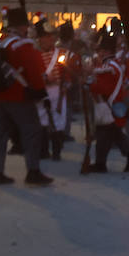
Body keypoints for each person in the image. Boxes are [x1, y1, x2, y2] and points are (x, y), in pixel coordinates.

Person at [0, 4, 52, 186]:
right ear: (21, 26)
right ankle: (33, 171)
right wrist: (42, 93)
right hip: (19, 94)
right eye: (26, 24)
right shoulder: (23, 44)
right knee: (32, 131)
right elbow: (34, 70)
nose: (28, 27)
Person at [85, 28, 129, 174]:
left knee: (108, 135)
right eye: (100, 50)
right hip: (110, 107)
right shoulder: (108, 65)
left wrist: (89, 84)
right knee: (111, 135)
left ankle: (105, 162)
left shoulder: (110, 67)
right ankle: (110, 161)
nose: (100, 53)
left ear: (109, 51)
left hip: (110, 106)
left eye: (103, 50)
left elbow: (102, 88)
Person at [33, 20, 73, 160]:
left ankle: (57, 151)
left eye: (51, 36)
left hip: (57, 91)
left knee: (57, 121)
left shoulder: (62, 53)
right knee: (42, 120)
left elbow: (68, 73)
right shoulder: (34, 55)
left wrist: (66, 84)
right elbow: (33, 74)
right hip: (42, 90)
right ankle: (43, 151)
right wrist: (44, 78)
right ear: (40, 38)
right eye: (47, 36)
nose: (51, 39)